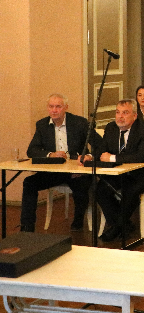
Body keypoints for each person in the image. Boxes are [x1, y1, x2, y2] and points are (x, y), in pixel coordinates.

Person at [22, 93, 99, 232]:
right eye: (51, 106)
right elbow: (31, 150)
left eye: (58, 106)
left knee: (82, 184)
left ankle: (78, 221)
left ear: (66, 108)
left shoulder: (80, 123)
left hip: (77, 170)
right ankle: (27, 227)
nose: (54, 110)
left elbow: (100, 145)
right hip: (55, 172)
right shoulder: (42, 125)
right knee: (29, 183)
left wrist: (88, 156)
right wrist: (50, 155)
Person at [84, 99, 144, 242]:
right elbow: (102, 149)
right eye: (118, 112)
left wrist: (112, 158)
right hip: (118, 174)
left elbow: (140, 156)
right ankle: (124, 225)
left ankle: (117, 228)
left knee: (130, 191)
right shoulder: (111, 128)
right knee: (99, 189)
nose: (120, 117)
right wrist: (90, 156)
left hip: (141, 175)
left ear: (134, 115)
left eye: (125, 113)